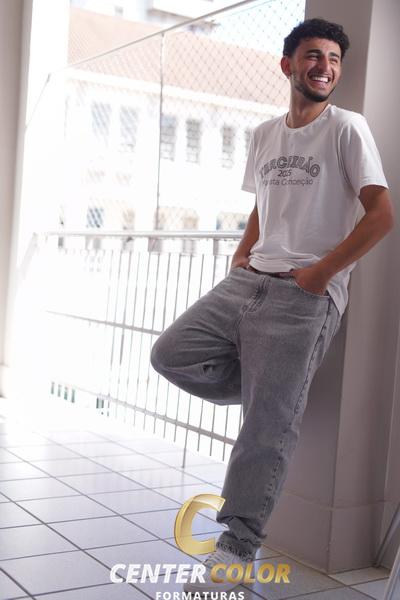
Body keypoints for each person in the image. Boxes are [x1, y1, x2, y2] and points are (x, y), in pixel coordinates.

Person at [150, 17, 394, 595]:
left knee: (266, 427)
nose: (325, 68)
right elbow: (265, 202)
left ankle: (235, 551)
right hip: (249, 282)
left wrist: (321, 274)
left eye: (333, 59)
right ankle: (275, 395)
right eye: (313, 56)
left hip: (304, 295)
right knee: (170, 353)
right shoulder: (265, 134)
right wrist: (243, 252)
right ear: (288, 65)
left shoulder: (347, 128)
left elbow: (382, 215)